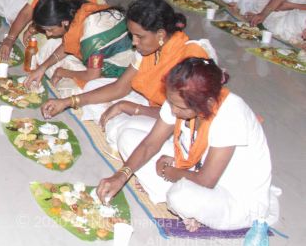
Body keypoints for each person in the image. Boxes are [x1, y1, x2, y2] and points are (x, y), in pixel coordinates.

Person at [96, 59, 279, 231]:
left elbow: (206, 181)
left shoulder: (231, 114)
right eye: (171, 103)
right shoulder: (180, 95)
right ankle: (176, 198)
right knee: (127, 137)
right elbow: (150, 145)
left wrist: (169, 171)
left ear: (208, 103)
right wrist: (120, 176)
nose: (173, 111)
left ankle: (184, 202)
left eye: (181, 108)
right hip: (194, 168)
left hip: (233, 198)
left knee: (181, 195)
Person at [42, 0, 214, 149]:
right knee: (92, 87)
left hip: (175, 121)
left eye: (139, 37)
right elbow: (120, 87)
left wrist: (131, 108)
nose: (134, 43)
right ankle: (116, 123)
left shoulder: (191, 58)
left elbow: (182, 115)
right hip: (150, 103)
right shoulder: (148, 50)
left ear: (161, 34)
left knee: (124, 134)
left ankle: (123, 131)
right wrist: (68, 102)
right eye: (132, 36)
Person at [25, 0, 133, 97]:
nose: (48, 34)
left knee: (76, 91)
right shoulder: (75, 13)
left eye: (50, 30)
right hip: (96, 62)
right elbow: (66, 46)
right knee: (52, 44)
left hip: (117, 74)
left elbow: (92, 76)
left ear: (64, 22)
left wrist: (61, 72)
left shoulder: (93, 36)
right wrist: (42, 68)